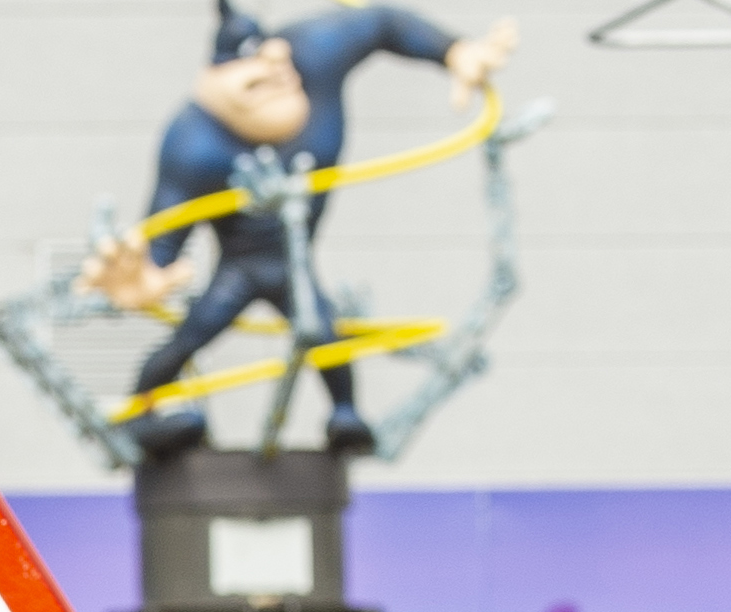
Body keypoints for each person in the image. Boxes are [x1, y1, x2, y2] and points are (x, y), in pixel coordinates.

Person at [84, 6, 517, 458]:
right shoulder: (195, 142)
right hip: (242, 263)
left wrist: (452, 50)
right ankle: (139, 411)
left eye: (279, 69)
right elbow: (164, 238)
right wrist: (147, 278)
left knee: (324, 333)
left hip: (293, 260)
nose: (275, 75)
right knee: (193, 336)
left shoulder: (314, 53)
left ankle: (345, 414)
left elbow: (382, 23)